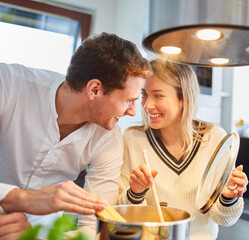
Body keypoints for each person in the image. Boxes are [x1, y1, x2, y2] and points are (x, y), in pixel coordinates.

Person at [0, 32, 152, 238]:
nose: (133, 111)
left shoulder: (109, 138)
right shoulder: (9, 85)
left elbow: (94, 225)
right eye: (128, 100)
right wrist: (23, 199)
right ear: (95, 89)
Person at [118, 59, 248, 240]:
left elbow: (224, 219)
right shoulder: (132, 140)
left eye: (158, 95)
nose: (147, 105)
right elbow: (121, 215)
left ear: (184, 99)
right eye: (144, 94)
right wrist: (135, 193)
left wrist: (228, 196)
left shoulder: (214, 138)